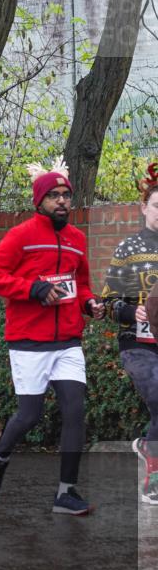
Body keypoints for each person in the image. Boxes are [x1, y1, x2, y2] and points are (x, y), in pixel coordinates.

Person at [0, 157, 105, 515]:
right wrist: (32, 289)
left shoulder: (78, 239)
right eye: (54, 196)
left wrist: (89, 303)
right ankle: (0, 457)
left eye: (66, 195)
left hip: (68, 342)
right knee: (29, 416)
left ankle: (66, 492)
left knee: (75, 411)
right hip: (29, 342)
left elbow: (81, 285)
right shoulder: (22, 235)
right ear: (40, 201)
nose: (62, 201)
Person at [103, 162, 158, 505]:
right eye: (157, 205)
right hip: (138, 344)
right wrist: (130, 311)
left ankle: (150, 459)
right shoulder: (129, 248)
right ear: (144, 208)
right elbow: (108, 301)